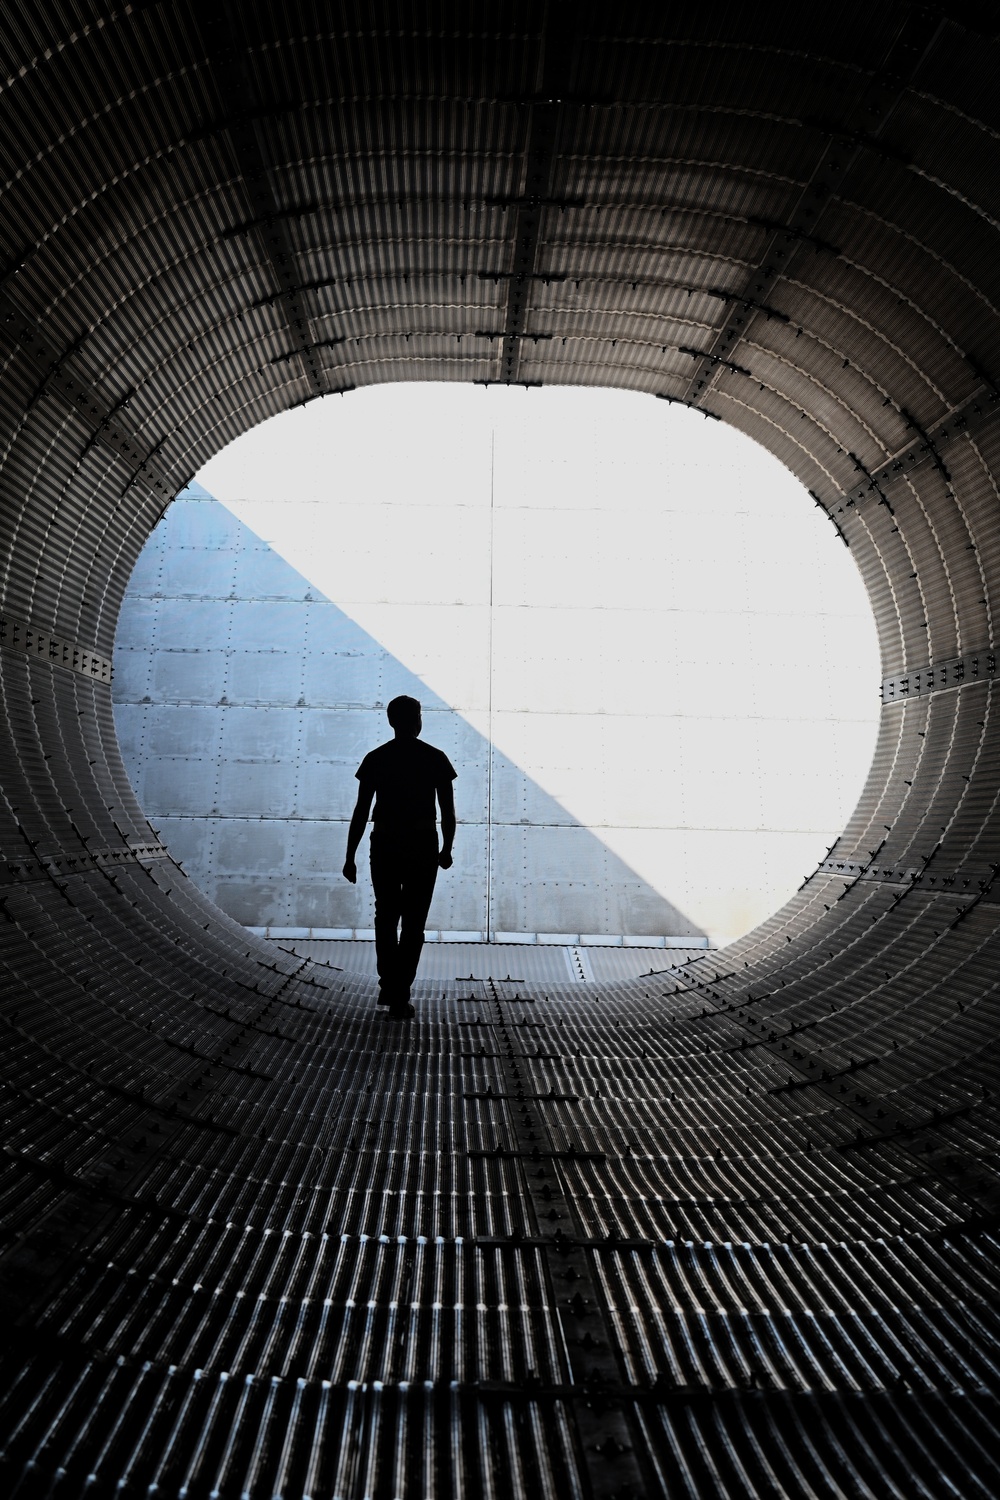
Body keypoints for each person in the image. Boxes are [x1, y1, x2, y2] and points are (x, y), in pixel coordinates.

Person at [343, 696, 456, 1019]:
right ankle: (400, 992)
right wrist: (446, 848)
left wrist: (350, 855)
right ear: (418, 720)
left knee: (386, 916)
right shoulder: (435, 758)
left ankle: (389, 984)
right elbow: (447, 811)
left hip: (385, 843)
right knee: (413, 922)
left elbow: (361, 812)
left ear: (391, 721)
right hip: (422, 843)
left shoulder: (377, 759)